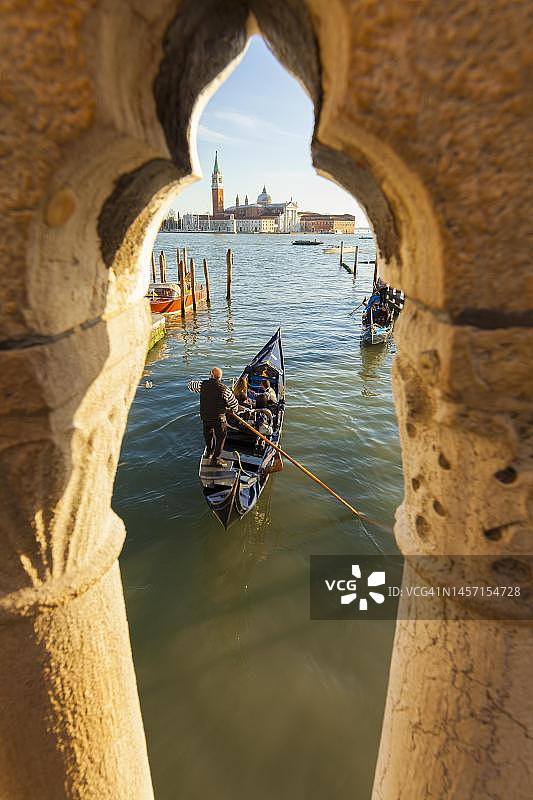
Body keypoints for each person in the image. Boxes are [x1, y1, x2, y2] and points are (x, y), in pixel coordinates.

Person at [187, 367, 239, 467]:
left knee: (208, 435)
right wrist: (231, 410)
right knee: (221, 437)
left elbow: (190, 386)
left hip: (205, 417)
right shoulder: (225, 389)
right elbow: (235, 405)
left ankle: (209, 452)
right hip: (219, 419)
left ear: (211, 375)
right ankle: (216, 459)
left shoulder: (202, 385)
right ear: (220, 377)